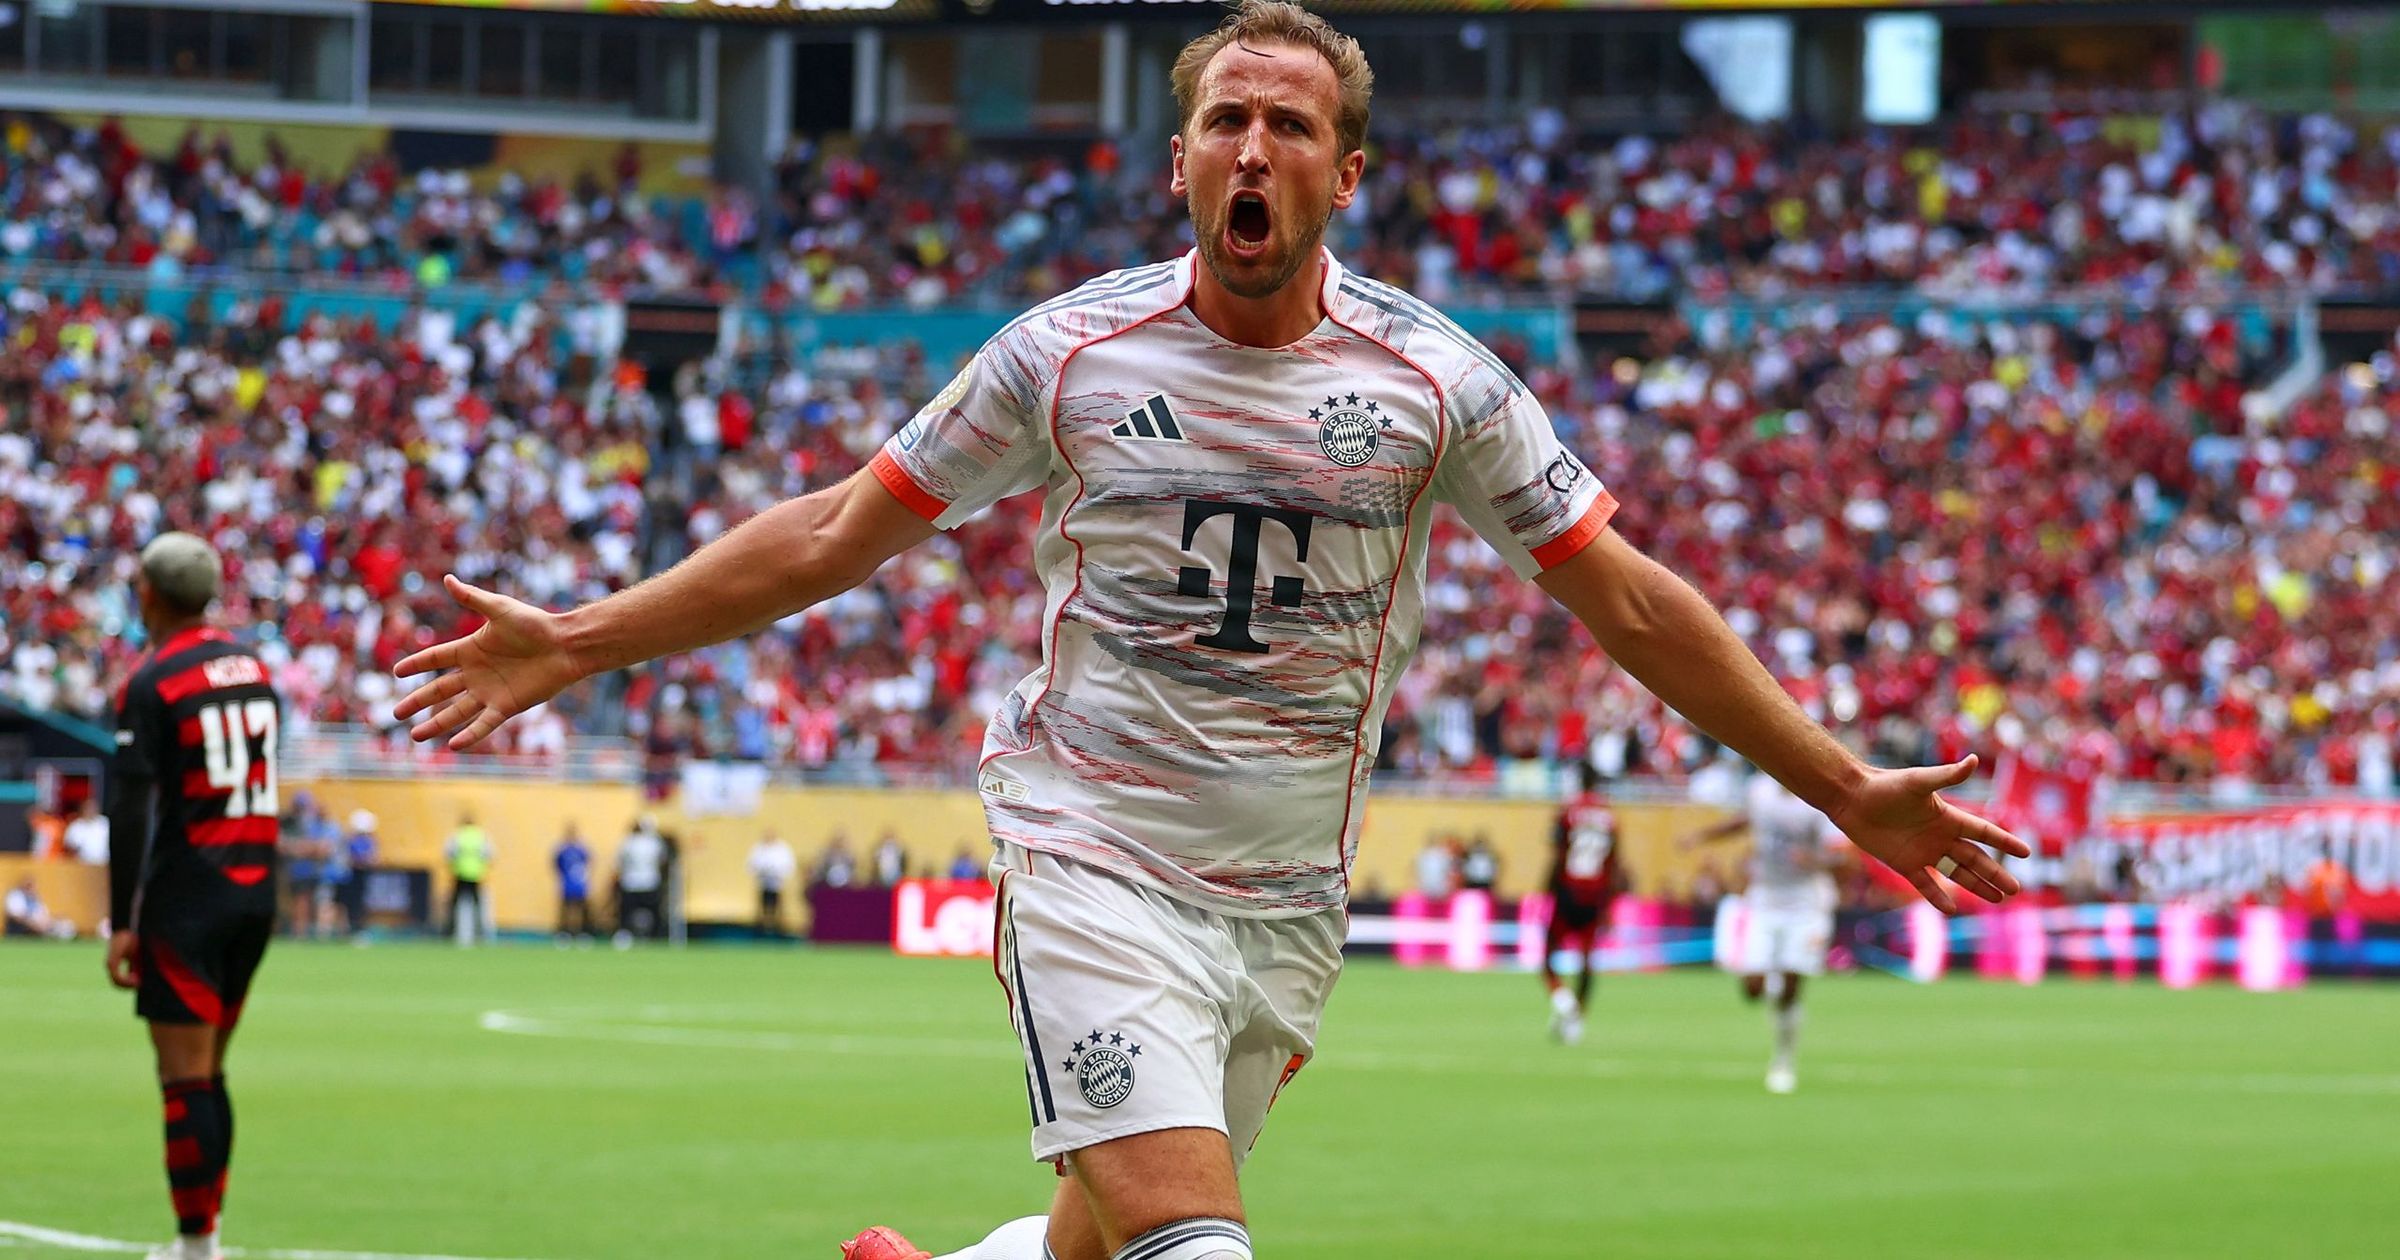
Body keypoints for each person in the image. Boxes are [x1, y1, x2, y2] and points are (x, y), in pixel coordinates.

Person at [392, 7, 2028, 1256]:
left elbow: (1636, 601)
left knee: (1100, 1244)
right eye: (1225, 122)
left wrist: (1839, 785)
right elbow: (834, 533)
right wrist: (580, 640)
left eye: (1290, 126)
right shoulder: (1067, 358)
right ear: (1179, 162)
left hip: (1287, 908)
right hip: (1093, 864)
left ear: (1346, 173)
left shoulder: (1438, 386)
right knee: (1193, 1244)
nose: (1253, 149)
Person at [104, 532, 284, 1260]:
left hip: (188, 896)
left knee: (183, 1079)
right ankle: (205, 1235)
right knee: (209, 1073)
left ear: (146, 592)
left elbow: (130, 810)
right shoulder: (255, 668)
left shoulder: (152, 681)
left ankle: (195, 1246)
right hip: (255, 889)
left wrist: (121, 921)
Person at [1684, 769, 1850, 1094]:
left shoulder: (1817, 801)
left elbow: (1843, 857)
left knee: (1791, 986)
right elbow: (1744, 821)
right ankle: (1774, 980)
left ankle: (1783, 1058)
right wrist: (1701, 836)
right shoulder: (1760, 790)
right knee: (1753, 987)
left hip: (1805, 904)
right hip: (1765, 899)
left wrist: (1814, 859)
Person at [1542, 766, 1625, 1046]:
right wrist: (1609, 905)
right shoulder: (1609, 817)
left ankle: (1564, 1002)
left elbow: (1559, 854)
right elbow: (1614, 864)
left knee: (1548, 957)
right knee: (1587, 961)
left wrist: (1548, 890)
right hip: (1596, 893)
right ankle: (1577, 1019)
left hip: (1569, 889)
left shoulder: (1568, 812)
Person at [614, 814, 668, 945]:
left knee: (627, 911)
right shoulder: (655, 842)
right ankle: (655, 936)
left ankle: (625, 934)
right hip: (650, 881)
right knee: (654, 911)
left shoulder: (628, 842)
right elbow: (663, 860)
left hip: (630, 882)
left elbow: (619, 862)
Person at [443, 811, 493, 948]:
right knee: (478, 906)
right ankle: (481, 935)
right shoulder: (481, 836)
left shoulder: (457, 835)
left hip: (460, 874)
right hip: (477, 875)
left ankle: (452, 933)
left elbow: (448, 854)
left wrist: (454, 866)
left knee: (456, 905)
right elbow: (490, 855)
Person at [750, 830, 797, 937]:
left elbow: (788, 865)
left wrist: (777, 872)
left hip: (777, 883)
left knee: (778, 908)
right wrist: (762, 871)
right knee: (764, 908)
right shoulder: (759, 848)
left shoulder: (782, 848)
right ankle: (762, 930)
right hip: (763, 883)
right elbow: (752, 864)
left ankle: (778, 930)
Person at [553, 821, 595, 943]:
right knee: (566, 909)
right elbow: (556, 865)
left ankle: (584, 932)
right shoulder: (562, 850)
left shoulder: (582, 849)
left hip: (580, 884)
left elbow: (589, 863)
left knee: (582, 908)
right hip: (567, 884)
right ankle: (564, 932)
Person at [6, 875, 73, 937]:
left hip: (36, 925)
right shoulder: (15, 896)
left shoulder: (35, 899)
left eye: (32, 886)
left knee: (63, 924)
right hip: (20, 927)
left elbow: (43, 915)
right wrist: (33, 924)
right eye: (28, 886)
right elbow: (17, 916)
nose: (30, 888)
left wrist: (52, 921)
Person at [64, 796, 111, 866]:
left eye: (92, 808)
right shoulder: (75, 826)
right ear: (82, 809)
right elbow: (70, 847)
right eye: (87, 808)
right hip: (82, 865)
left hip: (104, 864)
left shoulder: (105, 823)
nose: (90, 810)